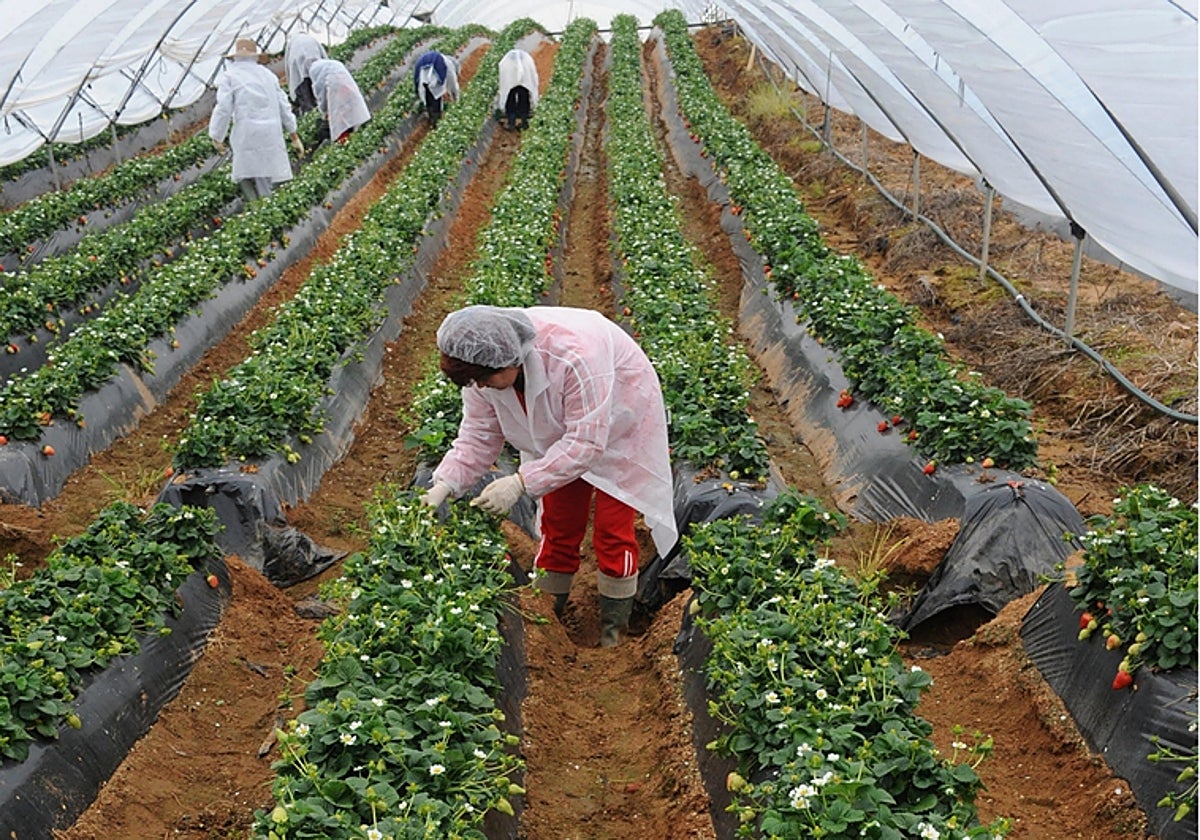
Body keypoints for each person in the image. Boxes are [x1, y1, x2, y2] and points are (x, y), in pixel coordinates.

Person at [420, 305, 678, 648]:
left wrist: (521, 482)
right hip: (562, 434)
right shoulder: (481, 373)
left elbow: (586, 443)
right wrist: (443, 485)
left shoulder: (574, 357)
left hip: (619, 421)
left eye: (485, 378)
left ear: (510, 359)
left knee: (612, 531)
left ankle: (613, 634)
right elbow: (479, 434)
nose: (481, 386)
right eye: (474, 382)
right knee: (558, 525)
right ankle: (548, 625)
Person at [209, 38, 304, 203]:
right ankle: (266, 209)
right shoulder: (268, 75)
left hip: (247, 134)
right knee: (265, 176)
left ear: (235, 58)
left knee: (245, 173)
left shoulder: (230, 76)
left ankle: (261, 212)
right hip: (271, 134)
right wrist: (293, 133)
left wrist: (216, 135)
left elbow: (223, 108)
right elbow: (284, 105)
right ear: (255, 57)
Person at [308, 58, 371, 144]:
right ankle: (356, 136)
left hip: (336, 89)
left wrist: (324, 111)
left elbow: (320, 92)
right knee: (351, 113)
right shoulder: (330, 63)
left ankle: (344, 141)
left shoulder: (313, 70)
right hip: (348, 86)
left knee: (339, 120)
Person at [284, 31, 327, 116]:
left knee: (307, 101)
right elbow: (324, 55)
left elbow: (288, 66)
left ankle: (312, 117)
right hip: (316, 67)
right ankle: (323, 113)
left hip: (300, 75)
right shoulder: (311, 39)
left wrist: (291, 88)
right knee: (320, 95)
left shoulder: (291, 43)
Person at [495, 48, 539, 131]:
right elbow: (533, 74)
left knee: (510, 101)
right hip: (524, 82)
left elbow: (503, 75)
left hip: (510, 83)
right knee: (523, 100)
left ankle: (511, 122)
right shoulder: (526, 60)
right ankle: (523, 121)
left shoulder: (507, 62)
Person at [413, 50, 459, 126]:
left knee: (427, 94)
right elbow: (453, 85)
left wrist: (417, 93)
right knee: (435, 98)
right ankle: (435, 122)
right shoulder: (449, 65)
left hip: (422, 73)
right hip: (432, 74)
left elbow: (416, 79)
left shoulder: (443, 60)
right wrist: (456, 100)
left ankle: (430, 113)